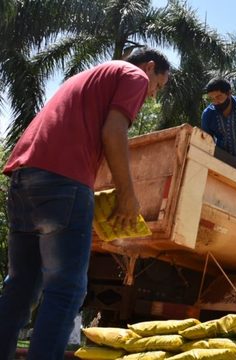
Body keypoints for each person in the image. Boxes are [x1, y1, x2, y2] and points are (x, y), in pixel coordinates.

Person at [0, 47, 171, 360]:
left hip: (24, 179)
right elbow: (114, 132)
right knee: (66, 290)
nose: (152, 96)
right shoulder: (132, 74)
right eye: (158, 86)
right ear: (149, 67)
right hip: (62, 183)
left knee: (20, 288)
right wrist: (127, 195)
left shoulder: (88, 77)